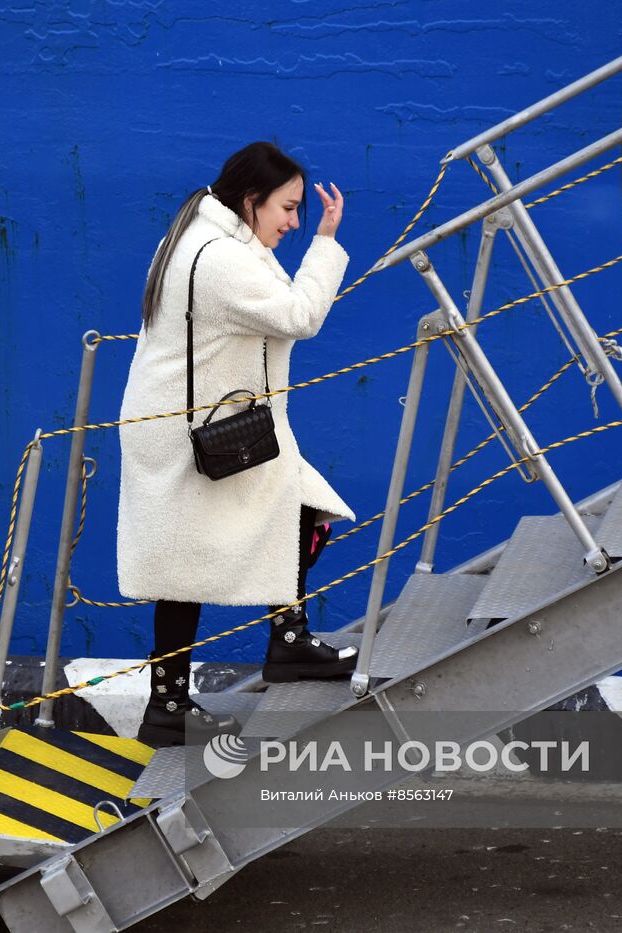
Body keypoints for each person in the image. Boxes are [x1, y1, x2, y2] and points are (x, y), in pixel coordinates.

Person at [118, 141, 358, 748]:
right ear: (251, 200)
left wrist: (304, 240)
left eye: (301, 211)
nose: (295, 222)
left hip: (202, 422)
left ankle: (288, 641)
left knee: (299, 510)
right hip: (190, 435)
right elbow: (300, 316)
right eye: (288, 208)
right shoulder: (220, 258)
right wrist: (326, 244)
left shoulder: (210, 238)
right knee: (181, 573)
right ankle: (170, 703)